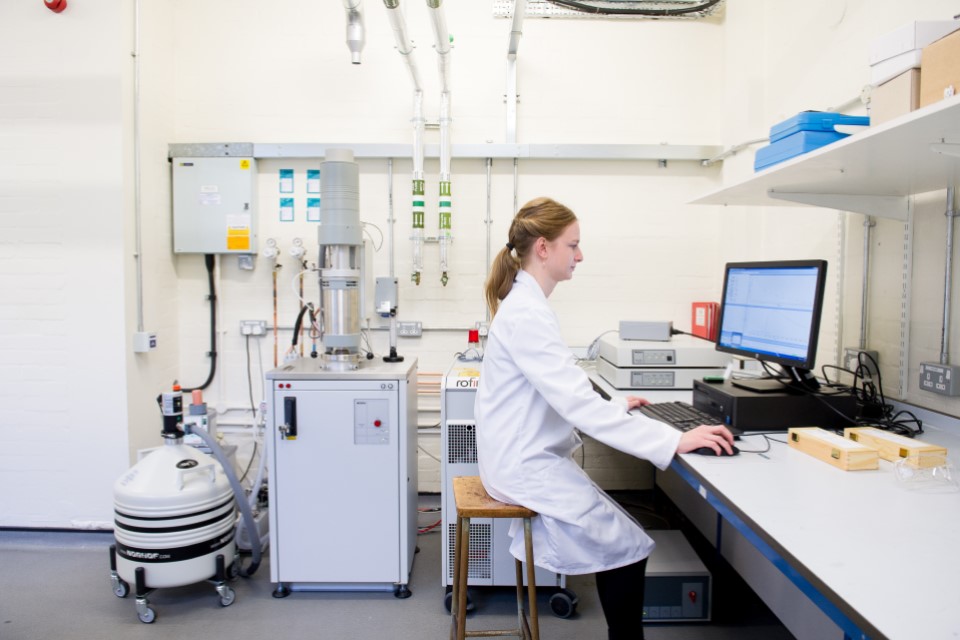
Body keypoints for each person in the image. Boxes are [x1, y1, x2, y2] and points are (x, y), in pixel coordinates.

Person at [474, 197, 735, 640]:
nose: (579, 255)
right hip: (523, 468)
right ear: (543, 247)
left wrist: (616, 408)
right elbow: (578, 406)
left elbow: (564, 392)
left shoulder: (526, 305)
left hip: (520, 457)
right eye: (572, 245)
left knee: (623, 541)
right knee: (629, 546)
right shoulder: (528, 313)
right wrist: (673, 441)